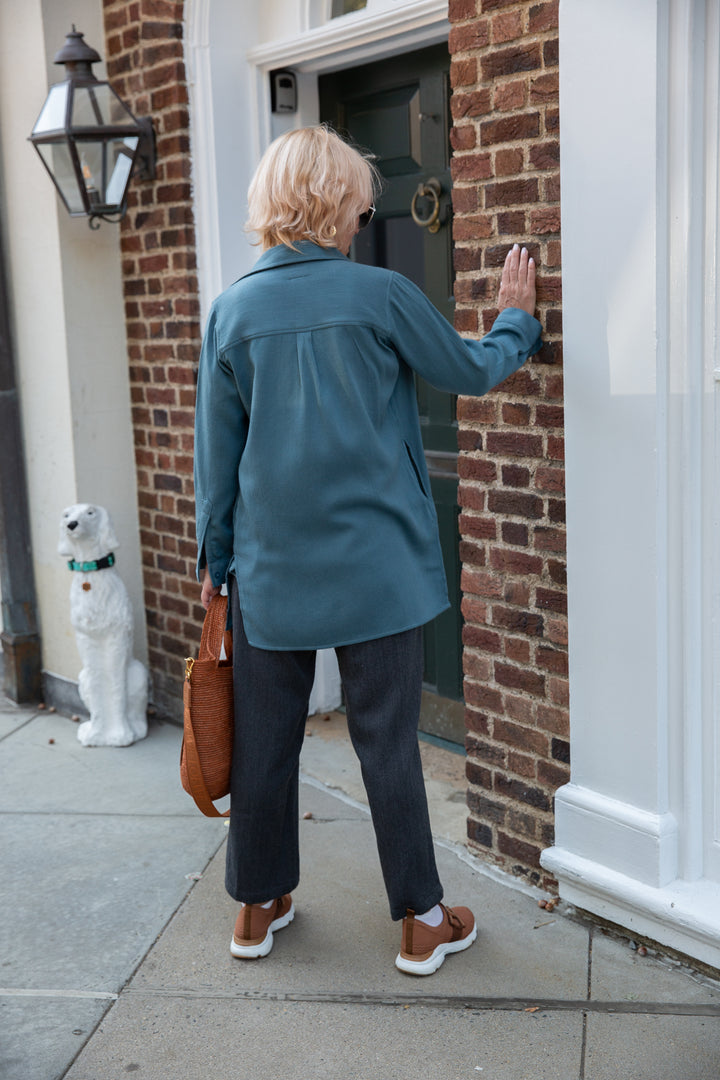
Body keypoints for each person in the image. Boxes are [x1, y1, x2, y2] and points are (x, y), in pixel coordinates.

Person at [194, 124, 540, 977]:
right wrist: (518, 323)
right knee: (386, 743)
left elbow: (218, 460)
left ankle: (254, 907)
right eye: (356, 200)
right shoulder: (379, 294)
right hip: (378, 569)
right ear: (331, 201)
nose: (361, 215)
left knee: (266, 741)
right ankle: (423, 922)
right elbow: (468, 370)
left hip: (272, 571)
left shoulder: (231, 311)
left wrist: (218, 562)